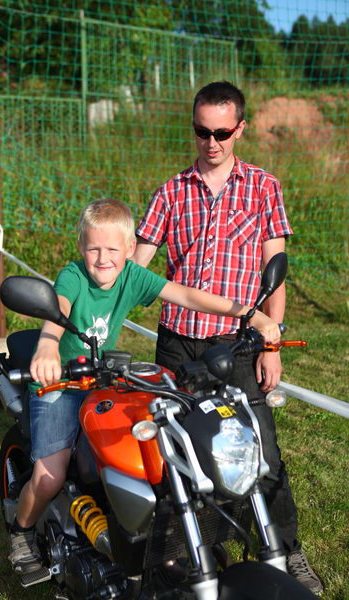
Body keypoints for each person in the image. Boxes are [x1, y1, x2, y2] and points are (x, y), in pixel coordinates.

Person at [8, 197, 281, 578]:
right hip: (59, 382)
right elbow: (59, 308)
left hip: (102, 378)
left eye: (112, 250)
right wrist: (48, 346)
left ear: (130, 248)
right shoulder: (73, 276)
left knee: (147, 447)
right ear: (81, 247)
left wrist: (249, 314)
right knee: (51, 473)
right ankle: (21, 531)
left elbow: (187, 295)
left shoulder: (133, 277)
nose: (103, 259)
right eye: (93, 249)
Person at [133, 81, 323, 595]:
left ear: (240, 128)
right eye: (202, 131)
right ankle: (180, 558)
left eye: (221, 132)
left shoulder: (263, 187)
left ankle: (284, 549)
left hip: (237, 344)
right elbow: (135, 267)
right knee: (177, 458)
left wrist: (271, 345)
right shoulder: (171, 191)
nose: (211, 142)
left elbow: (274, 273)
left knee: (262, 455)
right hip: (178, 344)